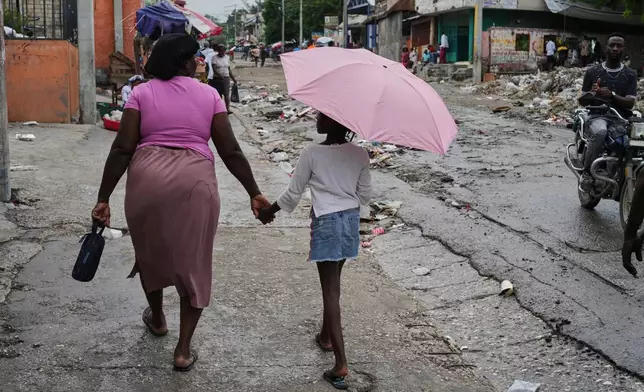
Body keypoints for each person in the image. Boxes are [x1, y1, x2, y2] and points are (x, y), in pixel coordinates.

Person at [91, 33, 271, 372]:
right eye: (195, 57)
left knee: (150, 253)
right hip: (195, 181)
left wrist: (103, 198)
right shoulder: (211, 95)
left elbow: (122, 148)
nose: (199, 62)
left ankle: (158, 318)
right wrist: (254, 192)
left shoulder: (141, 93)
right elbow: (229, 150)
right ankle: (183, 350)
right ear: (184, 61)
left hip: (147, 181)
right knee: (194, 262)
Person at [258, 113, 372, 390]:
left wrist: (267, 213)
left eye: (321, 116)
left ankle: (341, 364)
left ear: (332, 122)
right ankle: (325, 336)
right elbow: (365, 196)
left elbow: (292, 194)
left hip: (327, 222)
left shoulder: (312, 153)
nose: (317, 119)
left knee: (330, 292)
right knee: (335, 285)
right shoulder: (360, 155)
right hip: (350, 221)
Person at [578, 33, 638, 194]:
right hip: (597, 115)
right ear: (606, 48)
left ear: (624, 49)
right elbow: (582, 100)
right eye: (612, 45)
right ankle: (587, 174)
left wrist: (611, 95)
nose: (615, 48)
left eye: (619, 45)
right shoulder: (593, 72)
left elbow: (630, 102)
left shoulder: (630, 74)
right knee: (600, 131)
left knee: (634, 141)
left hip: (621, 118)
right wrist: (592, 93)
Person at [210, 44, 237, 114]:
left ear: (225, 51)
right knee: (218, 95)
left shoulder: (227, 58)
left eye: (223, 51)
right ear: (218, 51)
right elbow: (214, 69)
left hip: (226, 78)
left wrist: (233, 79)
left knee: (226, 94)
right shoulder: (214, 58)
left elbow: (229, 69)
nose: (221, 53)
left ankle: (227, 109)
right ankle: (219, 110)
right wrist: (219, 76)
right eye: (220, 51)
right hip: (217, 79)